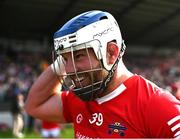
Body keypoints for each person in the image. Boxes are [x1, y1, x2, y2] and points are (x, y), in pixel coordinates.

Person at [25, 10, 180, 138]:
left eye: (79, 56)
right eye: (65, 59)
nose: (70, 69)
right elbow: (34, 106)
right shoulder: (80, 98)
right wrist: (64, 57)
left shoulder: (158, 106)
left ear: (112, 52)